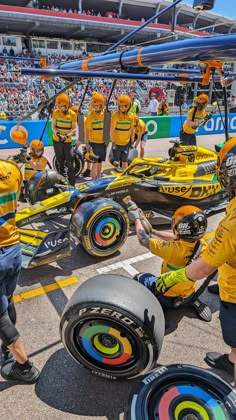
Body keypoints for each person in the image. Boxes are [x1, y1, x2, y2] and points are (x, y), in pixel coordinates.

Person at [148, 137, 236, 383]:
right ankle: (231, 360)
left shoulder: (231, 225)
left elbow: (205, 267)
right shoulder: (201, 242)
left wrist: (171, 277)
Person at [128, 202, 211, 322]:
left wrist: (136, 218)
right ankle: (193, 301)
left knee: (140, 276)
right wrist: (154, 232)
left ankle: (143, 303)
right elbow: (176, 238)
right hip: (189, 294)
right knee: (187, 284)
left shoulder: (172, 250)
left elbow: (143, 240)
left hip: (167, 297)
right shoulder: (202, 245)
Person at [0, 159, 40, 383]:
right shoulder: (12, 169)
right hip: (13, 250)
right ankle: (6, 348)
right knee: (8, 299)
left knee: (0, 318)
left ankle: (25, 368)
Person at [51, 93, 77, 186]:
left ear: (68, 104)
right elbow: (53, 126)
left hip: (67, 142)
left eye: (64, 106)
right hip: (57, 141)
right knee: (60, 162)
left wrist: (66, 136)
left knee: (70, 162)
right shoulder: (55, 112)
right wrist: (58, 134)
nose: (62, 108)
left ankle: (72, 183)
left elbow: (74, 129)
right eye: (60, 106)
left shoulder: (72, 114)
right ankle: (62, 182)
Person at [85, 93, 106, 179]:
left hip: (102, 143)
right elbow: (87, 131)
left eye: (98, 106)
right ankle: (93, 180)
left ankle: (99, 178)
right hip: (94, 143)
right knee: (95, 163)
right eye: (94, 106)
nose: (96, 107)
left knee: (100, 162)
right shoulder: (90, 116)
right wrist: (87, 144)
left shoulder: (105, 114)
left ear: (102, 105)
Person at [110, 95, 135, 169]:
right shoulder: (115, 115)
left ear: (129, 106)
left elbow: (132, 130)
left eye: (125, 106)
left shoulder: (131, 116)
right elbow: (112, 130)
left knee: (125, 161)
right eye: (121, 106)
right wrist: (113, 141)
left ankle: (125, 176)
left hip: (126, 144)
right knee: (116, 162)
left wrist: (132, 140)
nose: (122, 108)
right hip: (117, 144)